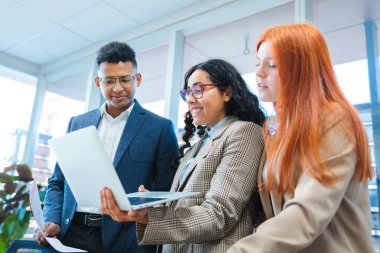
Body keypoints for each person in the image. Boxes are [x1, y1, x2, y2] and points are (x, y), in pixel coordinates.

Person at [227, 23, 374, 253]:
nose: (259, 73)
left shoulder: (335, 119)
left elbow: (306, 213)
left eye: (272, 65)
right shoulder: (275, 128)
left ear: (302, 70)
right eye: (258, 64)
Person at [100, 59, 267, 252]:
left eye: (198, 90)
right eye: (187, 92)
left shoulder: (244, 132)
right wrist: (154, 205)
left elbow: (218, 215)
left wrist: (150, 217)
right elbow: (187, 204)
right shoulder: (200, 144)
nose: (189, 99)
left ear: (227, 92)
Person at [34, 41, 179, 253]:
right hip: (70, 232)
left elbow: (167, 193)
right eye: (109, 80)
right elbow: (58, 182)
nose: (117, 88)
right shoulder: (77, 123)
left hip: (126, 239)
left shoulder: (160, 128)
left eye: (124, 79)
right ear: (97, 82)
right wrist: (51, 219)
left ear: (137, 79)